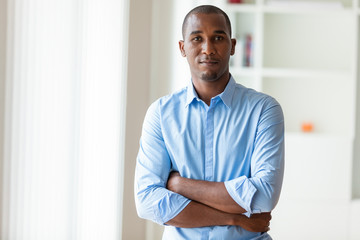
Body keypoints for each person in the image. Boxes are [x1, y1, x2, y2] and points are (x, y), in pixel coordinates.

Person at [134, 5, 284, 240]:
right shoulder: (160, 114)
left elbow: (264, 195)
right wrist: (235, 218)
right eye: (197, 38)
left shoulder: (264, 110)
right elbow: (147, 202)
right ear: (183, 48)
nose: (208, 48)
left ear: (233, 46)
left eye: (218, 38)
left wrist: (180, 185)